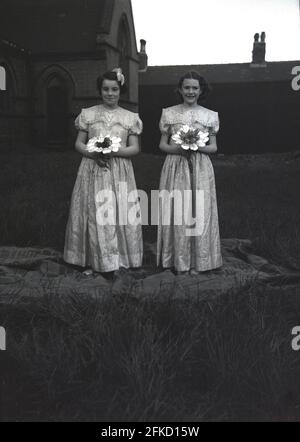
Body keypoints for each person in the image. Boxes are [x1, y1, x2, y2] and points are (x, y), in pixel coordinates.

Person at [64, 68, 143, 275]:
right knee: (93, 211)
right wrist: (93, 154)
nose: (110, 93)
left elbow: (135, 148)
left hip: (119, 170)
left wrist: (116, 151)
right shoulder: (89, 114)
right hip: (92, 168)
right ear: (100, 90)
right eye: (106, 89)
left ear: (120, 91)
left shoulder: (129, 117)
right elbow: (78, 144)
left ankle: (120, 258)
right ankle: (92, 258)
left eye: (114, 89)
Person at [157, 70, 222, 275]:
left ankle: (198, 261)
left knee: (199, 210)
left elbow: (213, 148)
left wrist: (195, 147)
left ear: (200, 90)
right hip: (176, 165)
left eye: (195, 88)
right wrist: (180, 149)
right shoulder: (169, 113)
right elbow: (162, 145)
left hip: (200, 166)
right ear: (180, 89)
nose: (190, 91)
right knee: (179, 211)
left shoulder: (209, 115)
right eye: (187, 87)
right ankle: (178, 259)